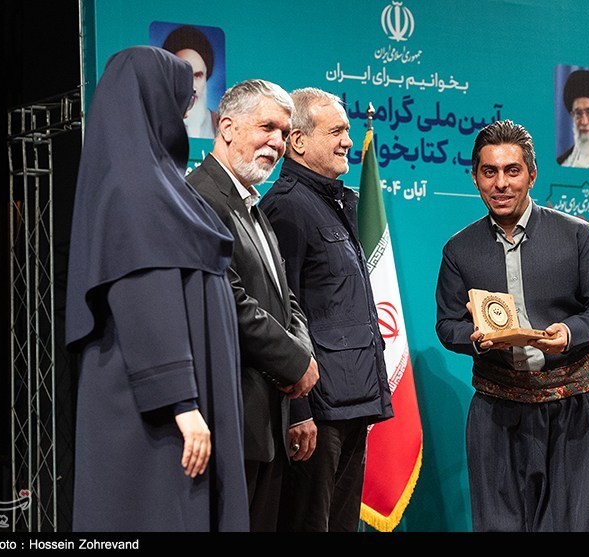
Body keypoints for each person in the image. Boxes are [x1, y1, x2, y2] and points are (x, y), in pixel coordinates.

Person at [65, 45, 248, 531]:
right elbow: (144, 298)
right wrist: (182, 404)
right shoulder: (134, 190)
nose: (186, 113)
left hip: (180, 399)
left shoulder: (159, 184)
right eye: (179, 100)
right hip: (154, 414)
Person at [436, 119, 589, 532]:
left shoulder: (578, 236)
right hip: (497, 414)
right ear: (475, 177)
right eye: (489, 172)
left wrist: (569, 333)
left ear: (532, 175)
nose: (500, 183)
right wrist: (478, 339)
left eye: (512, 171)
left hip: (574, 410)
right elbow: (447, 325)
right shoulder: (458, 250)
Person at [187, 79, 319, 532]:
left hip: (268, 423)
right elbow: (229, 300)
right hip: (232, 419)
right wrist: (295, 363)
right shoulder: (200, 197)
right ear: (227, 127)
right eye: (267, 128)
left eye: (284, 133)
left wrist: (302, 356)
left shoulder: (252, 204)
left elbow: (287, 298)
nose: (278, 143)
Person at [259, 87, 394, 532]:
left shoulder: (338, 203)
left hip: (351, 405)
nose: (348, 141)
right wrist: (298, 409)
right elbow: (280, 317)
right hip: (316, 413)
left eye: (348, 131)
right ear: (298, 141)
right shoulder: (286, 208)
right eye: (336, 131)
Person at [162, 25, 219, 139]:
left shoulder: (221, 126)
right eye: (184, 76)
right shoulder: (156, 125)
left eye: (197, 76)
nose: (192, 86)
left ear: (206, 77)